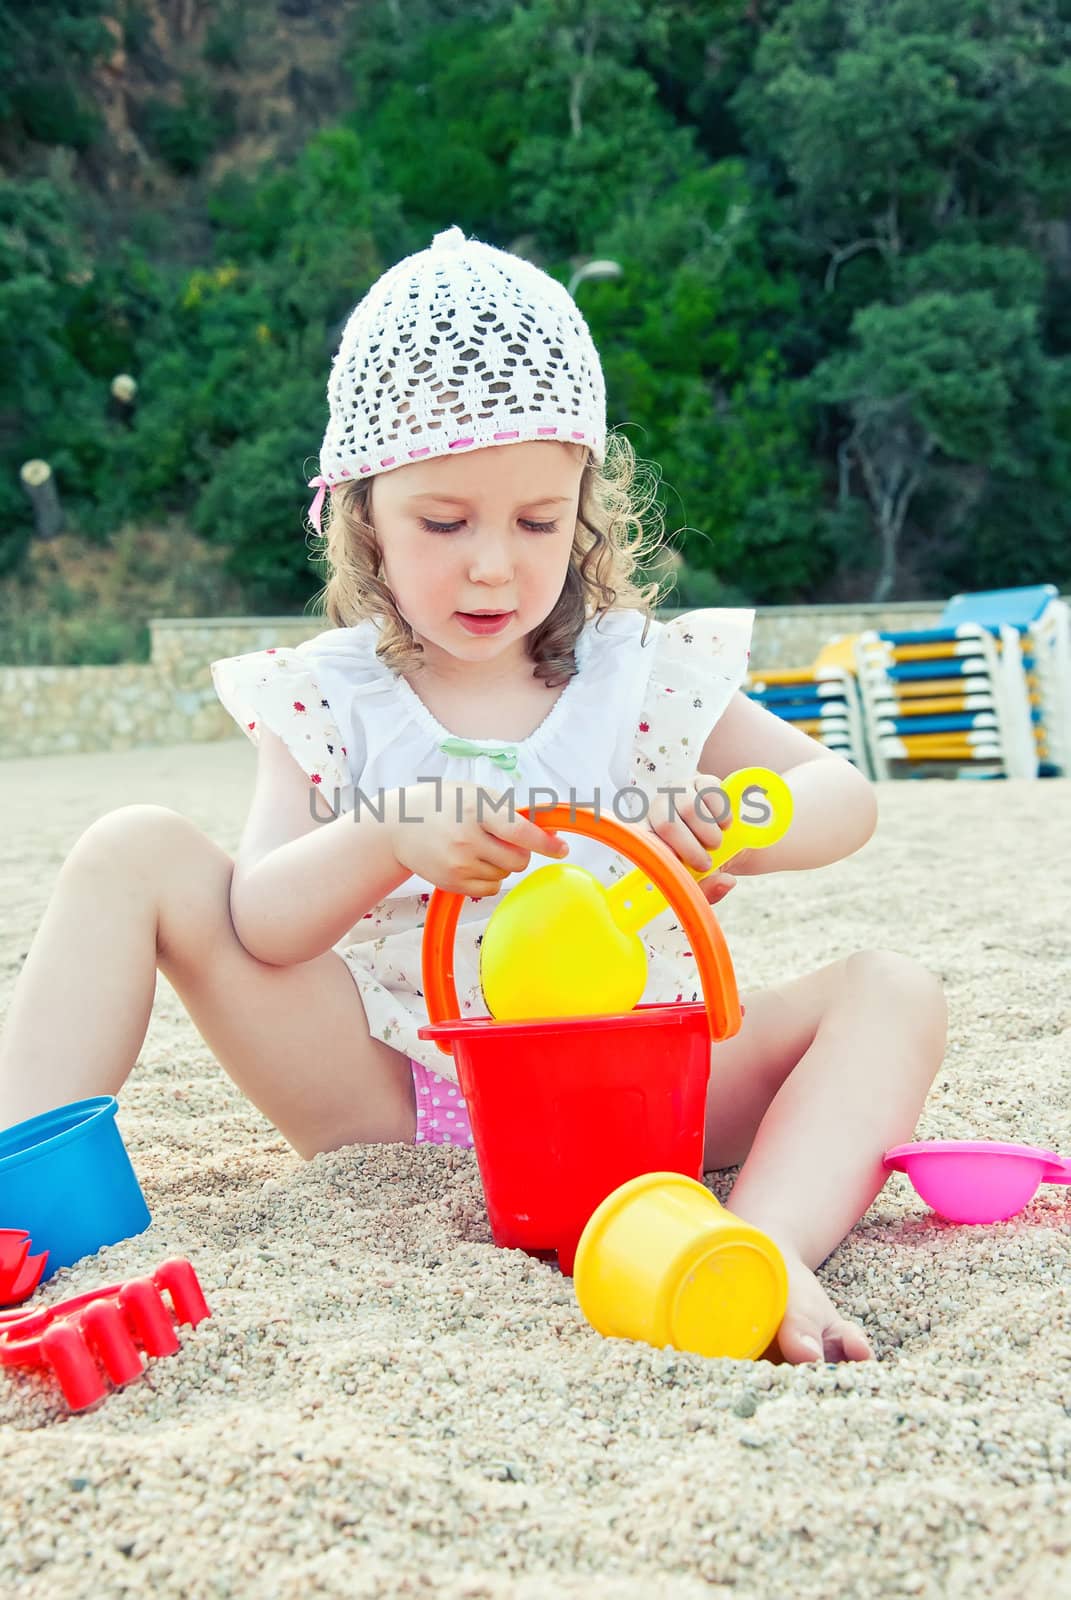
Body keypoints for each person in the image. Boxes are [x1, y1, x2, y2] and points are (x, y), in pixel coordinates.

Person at [0, 225, 946, 1364]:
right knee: (130, 849)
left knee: (894, 990)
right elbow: (261, 917)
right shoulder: (332, 695)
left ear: (584, 508)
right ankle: (27, 1208)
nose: (494, 563)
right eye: (444, 523)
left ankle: (758, 1247)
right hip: (406, 1101)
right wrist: (389, 835)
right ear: (363, 517)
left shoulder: (636, 671)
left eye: (538, 521)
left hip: (639, 1098)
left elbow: (842, 793)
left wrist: (745, 822)